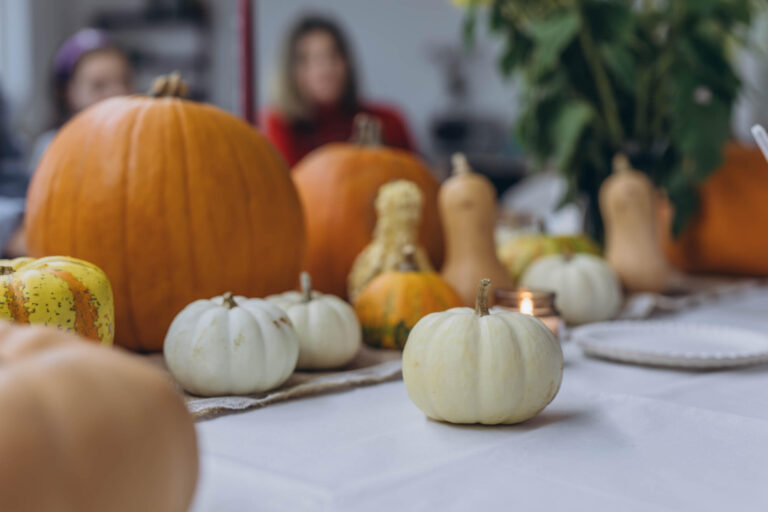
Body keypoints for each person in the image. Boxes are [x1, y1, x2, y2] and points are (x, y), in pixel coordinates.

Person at [265, 15, 415, 166]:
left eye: (333, 56)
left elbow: (417, 179)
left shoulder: (387, 122)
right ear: (289, 71)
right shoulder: (281, 125)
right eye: (308, 60)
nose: (325, 70)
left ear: (347, 63)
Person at [29, 28, 134, 170]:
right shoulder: (53, 147)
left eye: (124, 81)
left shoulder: (139, 142)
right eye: (99, 86)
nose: (118, 92)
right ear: (68, 92)